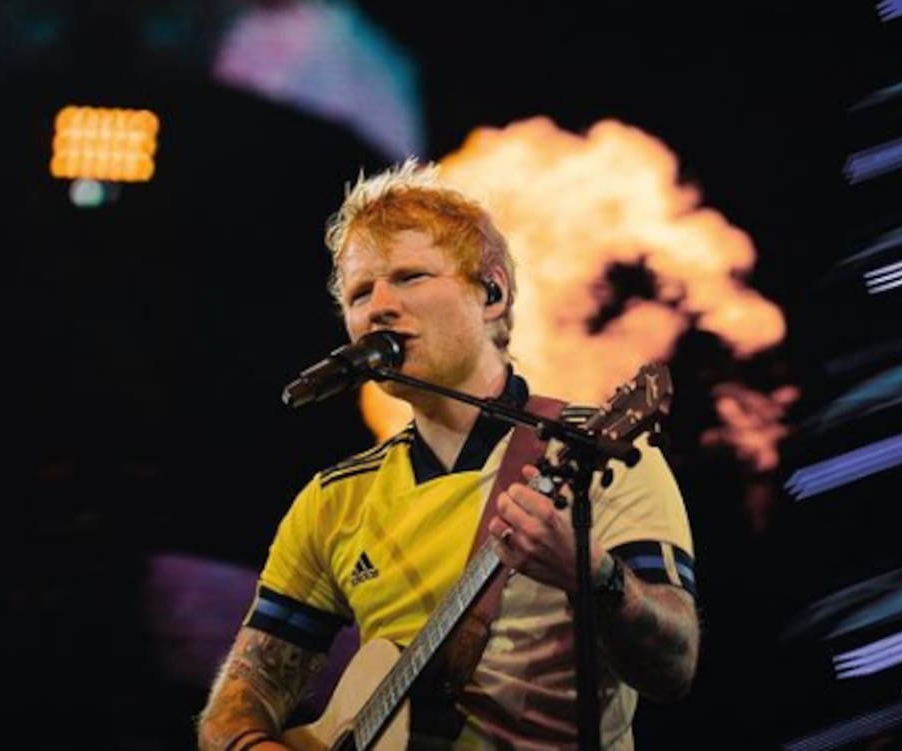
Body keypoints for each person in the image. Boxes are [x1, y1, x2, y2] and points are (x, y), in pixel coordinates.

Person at [196, 158, 699, 751]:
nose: (379, 307)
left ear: (492, 293)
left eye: (409, 277)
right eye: (360, 292)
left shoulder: (598, 454)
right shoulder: (333, 500)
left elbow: (675, 667)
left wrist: (595, 577)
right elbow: (238, 701)